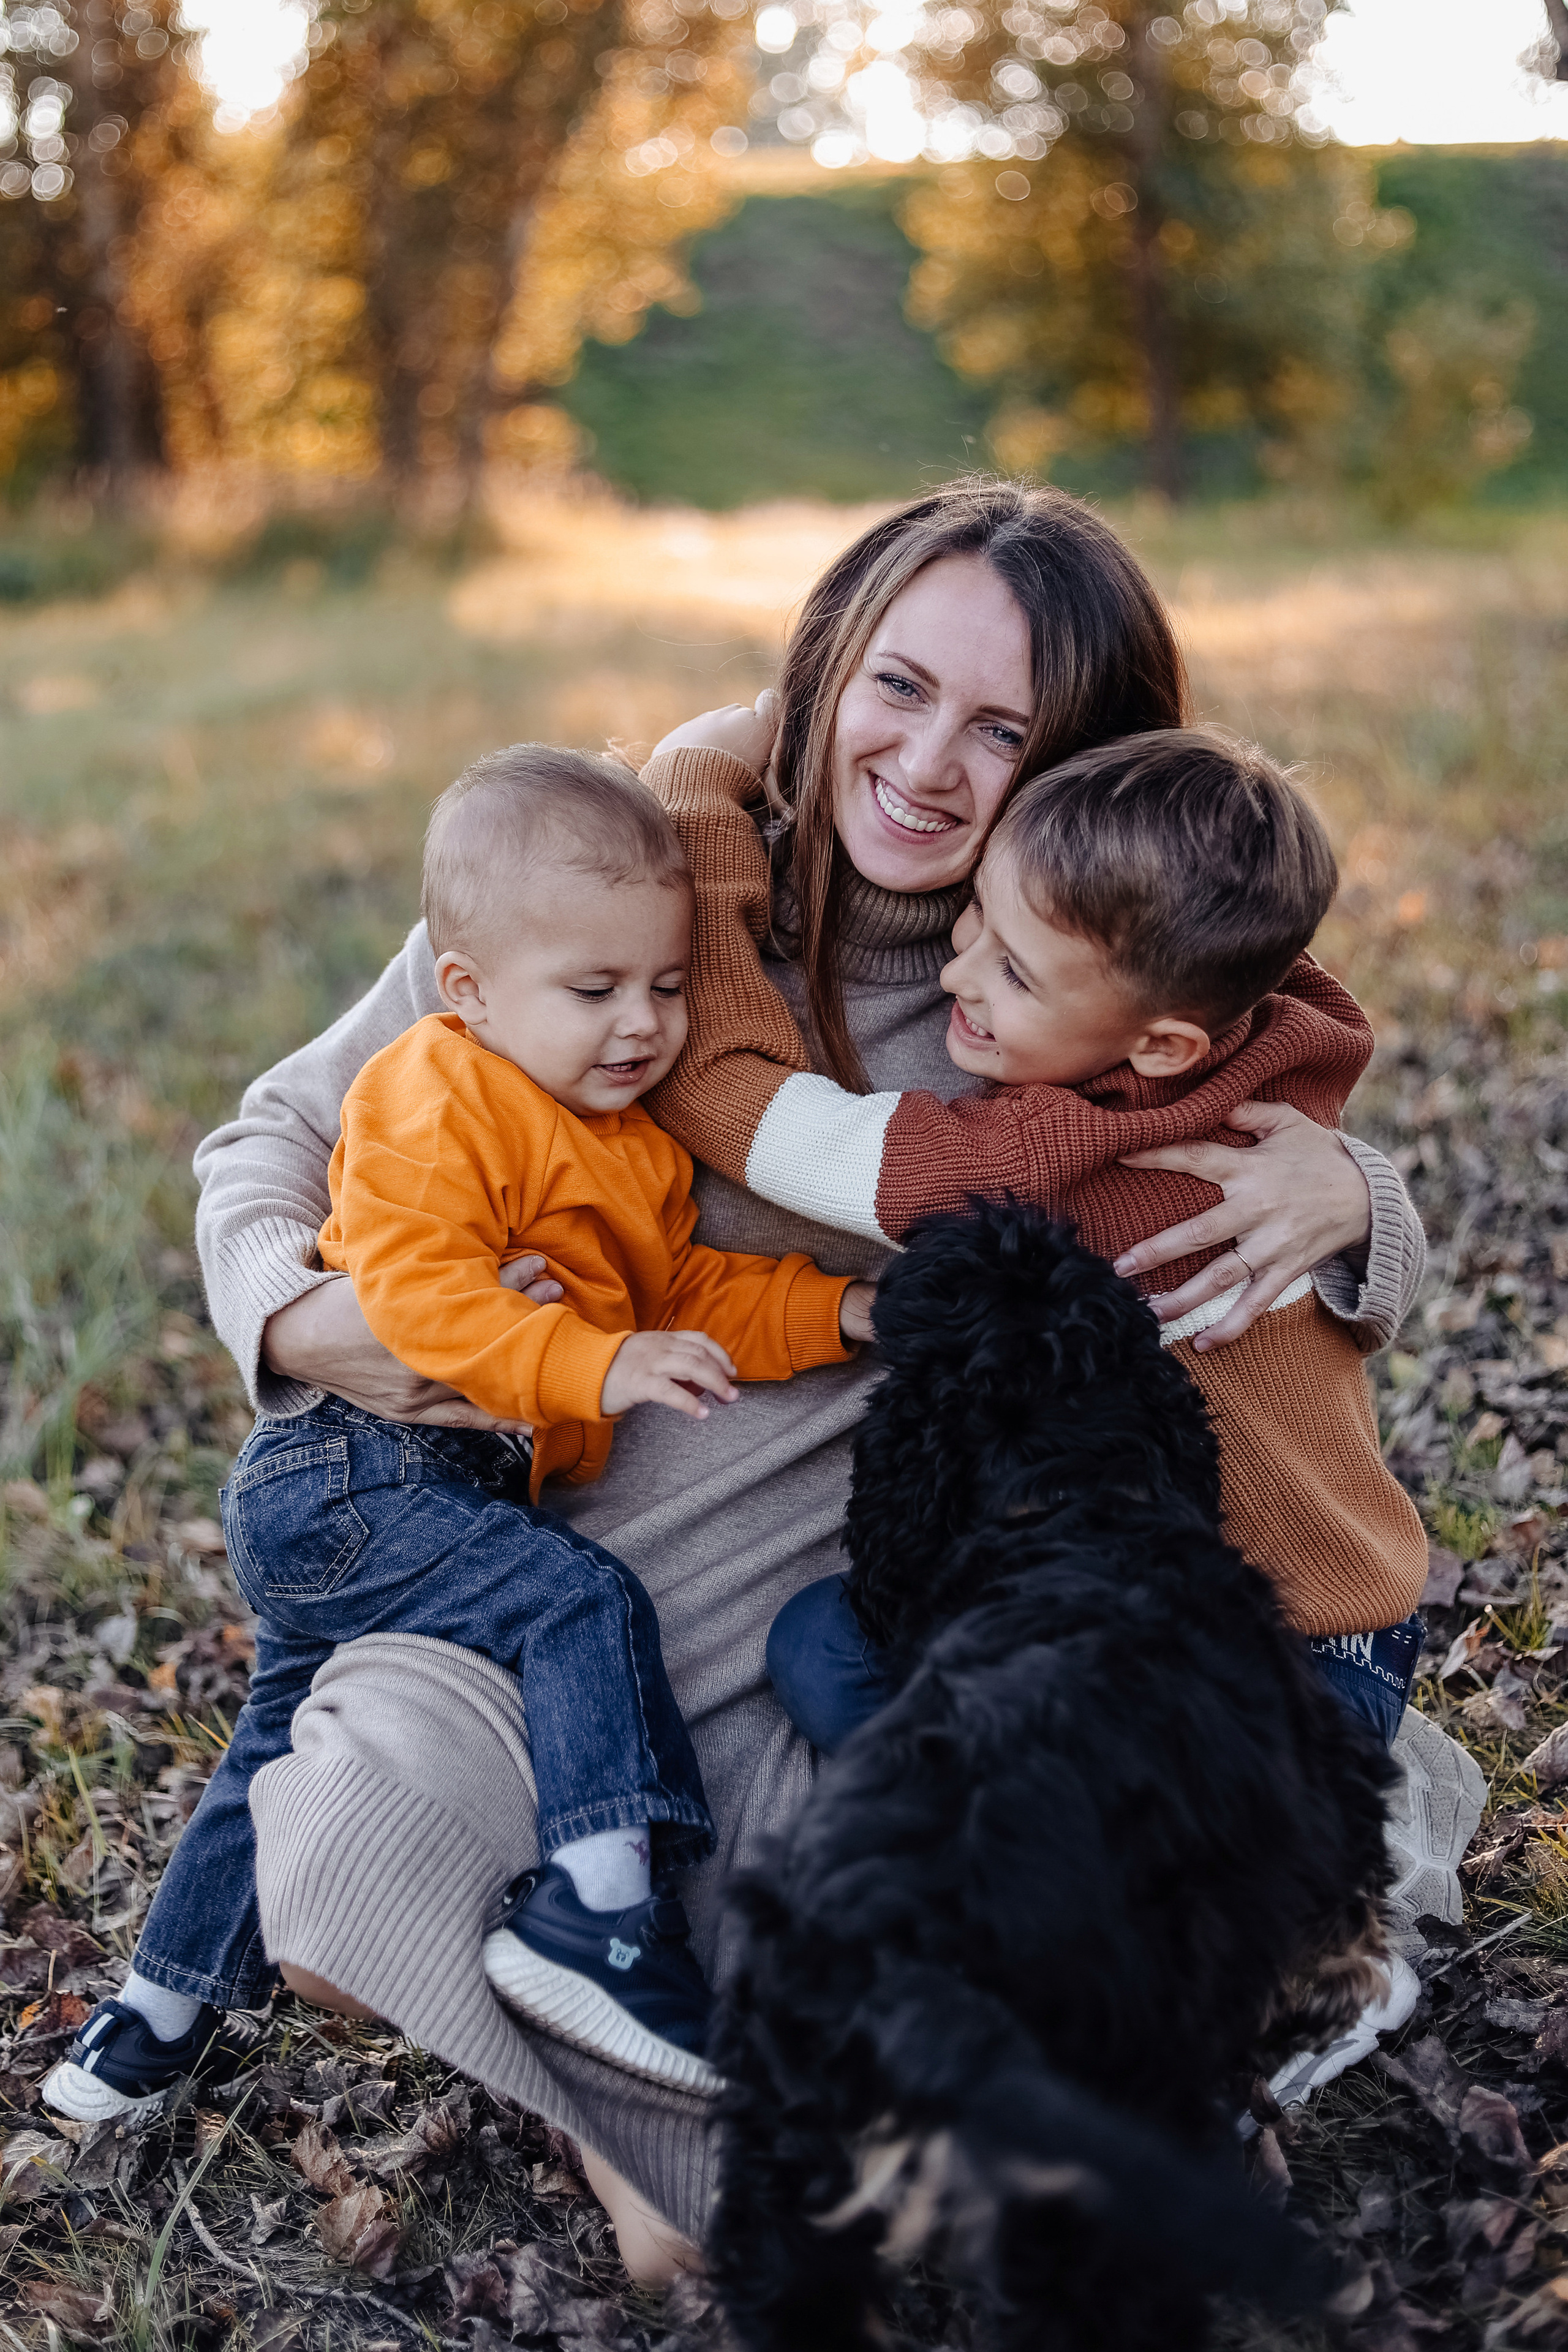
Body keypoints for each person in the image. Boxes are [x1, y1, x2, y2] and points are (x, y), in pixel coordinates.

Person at [138, 481, 1447, 2284]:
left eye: (1006, 731)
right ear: (821, 672)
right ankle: (649, 2101)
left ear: (1080, 772)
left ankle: (738, 2120)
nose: (925, 764)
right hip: (558, 1607)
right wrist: (299, 1319)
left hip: (824, 1642)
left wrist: (1363, 1195)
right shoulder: (633, 892)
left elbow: (1277, 1114)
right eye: (896, 688)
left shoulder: (1078, 983)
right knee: (343, 1862)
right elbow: (274, 1132)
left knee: (957, 1890)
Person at [44, 747, 873, 2124]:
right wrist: (595, 1368)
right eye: (594, 991)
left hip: (410, 1488)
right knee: (579, 1600)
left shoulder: (632, 1147)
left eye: (666, 987)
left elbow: (688, 1295)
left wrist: (838, 1315)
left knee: (269, 1743)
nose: (641, 1026)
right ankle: (602, 1910)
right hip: (354, 1465)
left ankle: (153, 2016)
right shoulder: (437, 1092)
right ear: (469, 991)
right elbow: (422, 1304)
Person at [758, 726, 1431, 1760]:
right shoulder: (1268, 1056)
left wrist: (696, 824)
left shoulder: (1055, 1158)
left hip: (1301, 1647)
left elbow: (753, 1121)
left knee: (847, 1662)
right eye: (972, 915)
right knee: (832, 1642)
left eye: (1016, 974)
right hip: (1136, 1607)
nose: (958, 977)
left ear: (1164, 1045)